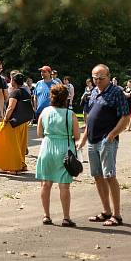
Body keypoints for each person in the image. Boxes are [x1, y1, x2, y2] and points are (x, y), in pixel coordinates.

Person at [81, 64, 130, 227]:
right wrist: (83, 138)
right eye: (95, 78)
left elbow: (125, 117)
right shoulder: (93, 92)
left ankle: (117, 215)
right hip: (92, 140)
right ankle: (106, 211)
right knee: (97, 176)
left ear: (109, 77)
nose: (98, 81)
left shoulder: (116, 92)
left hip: (106, 140)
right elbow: (89, 118)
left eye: (101, 78)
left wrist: (112, 135)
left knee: (109, 175)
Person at [35, 83, 80, 227]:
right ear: (66, 98)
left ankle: (46, 216)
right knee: (64, 186)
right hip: (64, 149)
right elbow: (77, 135)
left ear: (51, 97)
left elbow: (39, 133)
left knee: (46, 184)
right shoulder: (70, 114)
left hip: (47, 147)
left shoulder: (45, 111)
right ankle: (66, 217)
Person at [0, 73, 31, 174]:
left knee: (9, 144)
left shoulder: (15, 93)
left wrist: (5, 120)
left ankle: (13, 167)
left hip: (13, 123)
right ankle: (21, 165)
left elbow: (10, 107)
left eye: (11, 80)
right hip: (23, 122)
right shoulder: (26, 92)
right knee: (20, 144)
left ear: (13, 81)